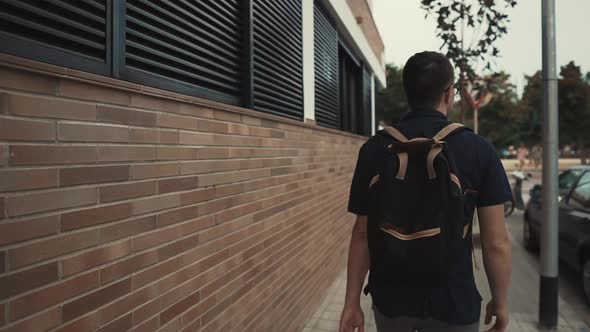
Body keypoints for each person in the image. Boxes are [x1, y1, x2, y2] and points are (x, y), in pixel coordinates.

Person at [340, 51, 512, 332]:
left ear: (407, 92)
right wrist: (501, 302)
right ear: (449, 93)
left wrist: (351, 302)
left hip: (391, 301)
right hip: (455, 302)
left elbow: (361, 234)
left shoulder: (374, 148)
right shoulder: (479, 150)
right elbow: (497, 242)